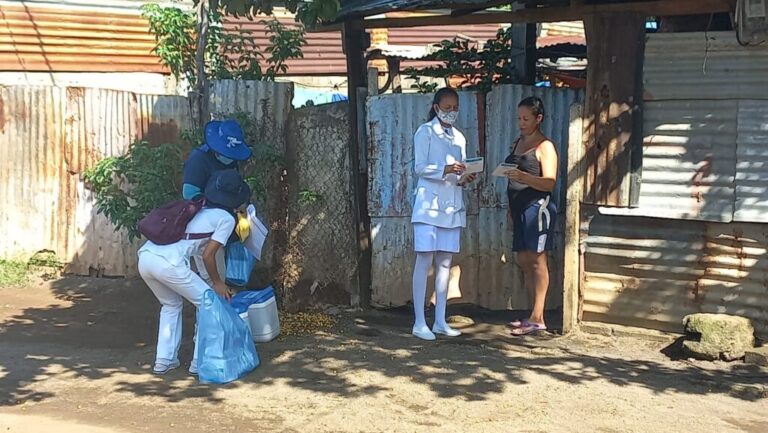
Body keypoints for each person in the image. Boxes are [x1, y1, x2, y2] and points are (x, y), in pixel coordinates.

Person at [138, 169, 251, 375]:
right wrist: (217, 283)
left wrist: (208, 280)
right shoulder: (226, 219)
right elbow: (208, 255)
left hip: (146, 257)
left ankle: (164, 360)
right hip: (169, 264)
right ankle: (199, 363)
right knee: (208, 304)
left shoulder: (198, 207)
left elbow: (198, 251)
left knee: (170, 305)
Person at [410, 87, 477, 341]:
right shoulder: (425, 131)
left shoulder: (459, 137)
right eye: (447, 108)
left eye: (455, 108)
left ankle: (440, 320)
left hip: (451, 205)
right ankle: (419, 322)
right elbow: (420, 167)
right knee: (424, 260)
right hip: (428, 206)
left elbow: (458, 173)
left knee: (445, 263)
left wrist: (464, 177)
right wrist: (446, 168)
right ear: (436, 108)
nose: (451, 112)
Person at [504, 96, 558, 336]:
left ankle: (538, 318)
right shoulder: (518, 142)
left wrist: (523, 177)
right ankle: (531, 314)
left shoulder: (545, 146)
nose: (521, 123)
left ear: (539, 119)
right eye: (519, 118)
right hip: (519, 209)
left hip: (537, 207)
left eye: (526, 119)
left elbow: (550, 182)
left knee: (538, 260)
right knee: (525, 261)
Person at [182, 119, 252, 285]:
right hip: (205, 228)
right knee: (215, 278)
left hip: (223, 224)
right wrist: (221, 207)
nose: (231, 159)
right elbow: (189, 194)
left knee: (218, 275)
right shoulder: (199, 159)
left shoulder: (231, 159)